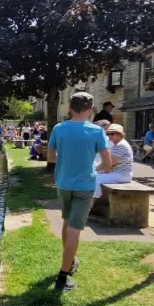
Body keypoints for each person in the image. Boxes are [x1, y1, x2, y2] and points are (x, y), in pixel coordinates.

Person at [47, 92, 112, 292]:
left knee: (67, 222)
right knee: (75, 228)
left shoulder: (59, 129)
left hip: (63, 184)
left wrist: (67, 164)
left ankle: (70, 261)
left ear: (69, 109)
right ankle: (63, 277)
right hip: (84, 186)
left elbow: (51, 157)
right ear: (91, 110)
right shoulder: (96, 132)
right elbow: (107, 164)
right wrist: (92, 168)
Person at [95, 124, 133, 197]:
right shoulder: (119, 144)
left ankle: (94, 201)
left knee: (95, 178)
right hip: (120, 173)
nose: (109, 136)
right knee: (95, 175)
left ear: (120, 134)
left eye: (112, 134)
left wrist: (94, 168)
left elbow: (109, 164)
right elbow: (108, 163)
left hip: (121, 174)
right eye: (108, 134)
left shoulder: (120, 145)